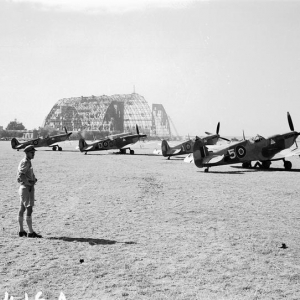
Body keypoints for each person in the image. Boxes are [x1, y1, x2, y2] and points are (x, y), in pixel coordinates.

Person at [17, 145, 42, 238]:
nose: (33, 154)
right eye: (32, 153)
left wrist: (34, 179)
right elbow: (21, 174)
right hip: (27, 188)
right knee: (29, 209)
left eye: (34, 152)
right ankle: (30, 232)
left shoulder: (27, 162)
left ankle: (21, 231)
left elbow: (26, 174)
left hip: (24, 187)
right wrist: (29, 183)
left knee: (22, 209)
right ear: (27, 153)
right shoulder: (26, 162)